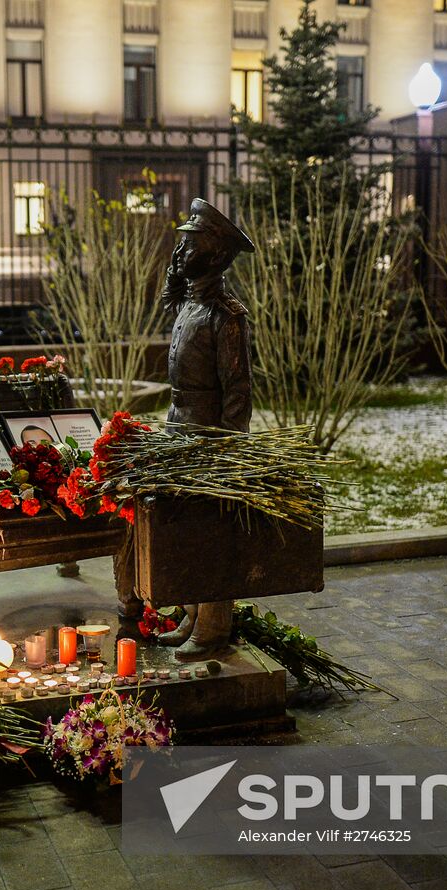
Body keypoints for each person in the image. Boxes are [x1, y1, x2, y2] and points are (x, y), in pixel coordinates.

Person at [153, 198, 255, 662]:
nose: (180, 249)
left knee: (211, 535)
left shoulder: (226, 315)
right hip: (180, 428)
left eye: (189, 242)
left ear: (215, 252)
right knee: (187, 531)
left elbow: (238, 393)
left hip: (209, 437)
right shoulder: (191, 302)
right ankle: (193, 613)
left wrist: (227, 452)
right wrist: (177, 268)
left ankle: (214, 626)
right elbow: (168, 292)